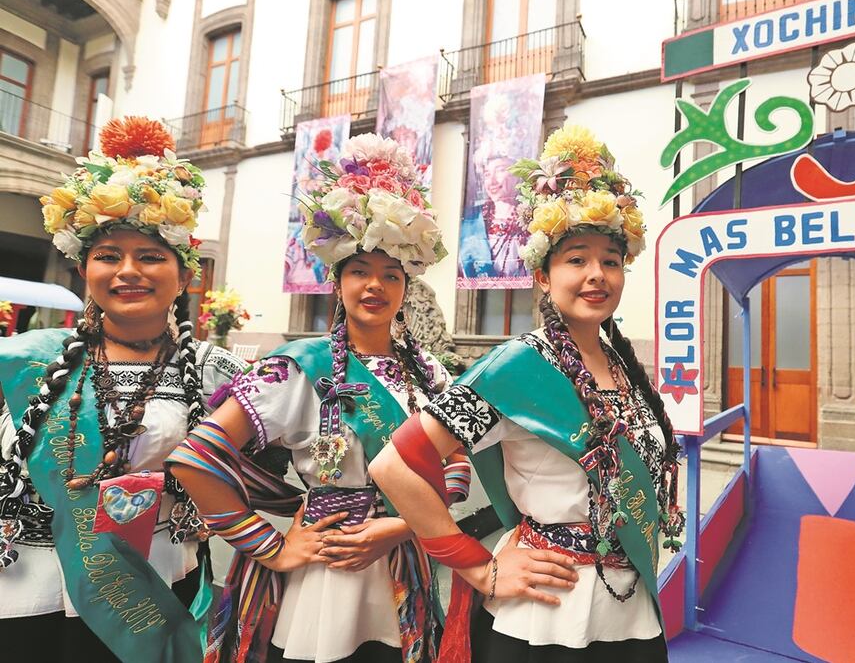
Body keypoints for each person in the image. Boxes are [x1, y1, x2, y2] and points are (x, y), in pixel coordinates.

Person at [370, 124, 685, 663]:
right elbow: (394, 466)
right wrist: (476, 565)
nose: (597, 275)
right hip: (546, 615)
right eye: (577, 259)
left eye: (611, 261)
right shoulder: (516, 367)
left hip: (630, 611)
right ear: (542, 275)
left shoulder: (622, 365)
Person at [167, 133, 470, 663]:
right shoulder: (296, 369)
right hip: (325, 570)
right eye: (360, 271)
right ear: (337, 281)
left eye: (391, 275)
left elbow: (458, 461)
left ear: (406, 288)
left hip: (402, 557)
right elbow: (195, 457)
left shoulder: (429, 373)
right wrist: (272, 547)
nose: (375, 286)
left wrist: (400, 526)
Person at [0, 116, 246, 661]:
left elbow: (285, 465)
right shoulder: (24, 359)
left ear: (185, 276)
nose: (128, 271)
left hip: (151, 589)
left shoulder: (215, 371)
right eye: (109, 256)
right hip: (25, 590)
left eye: (151, 256)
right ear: (83, 269)